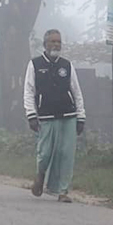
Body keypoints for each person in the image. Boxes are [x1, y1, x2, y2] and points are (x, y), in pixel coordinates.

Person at [23, 29, 86, 203]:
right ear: (45, 44)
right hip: (45, 116)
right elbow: (29, 91)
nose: (56, 45)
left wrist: (81, 117)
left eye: (58, 42)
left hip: (68, 115)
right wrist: (31, 115)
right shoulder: (35, 65)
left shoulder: (67, 65)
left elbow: (77, 92)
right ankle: (41, 175)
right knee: (45, 153)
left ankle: (62, 191)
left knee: (66, 154)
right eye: (52, 41)